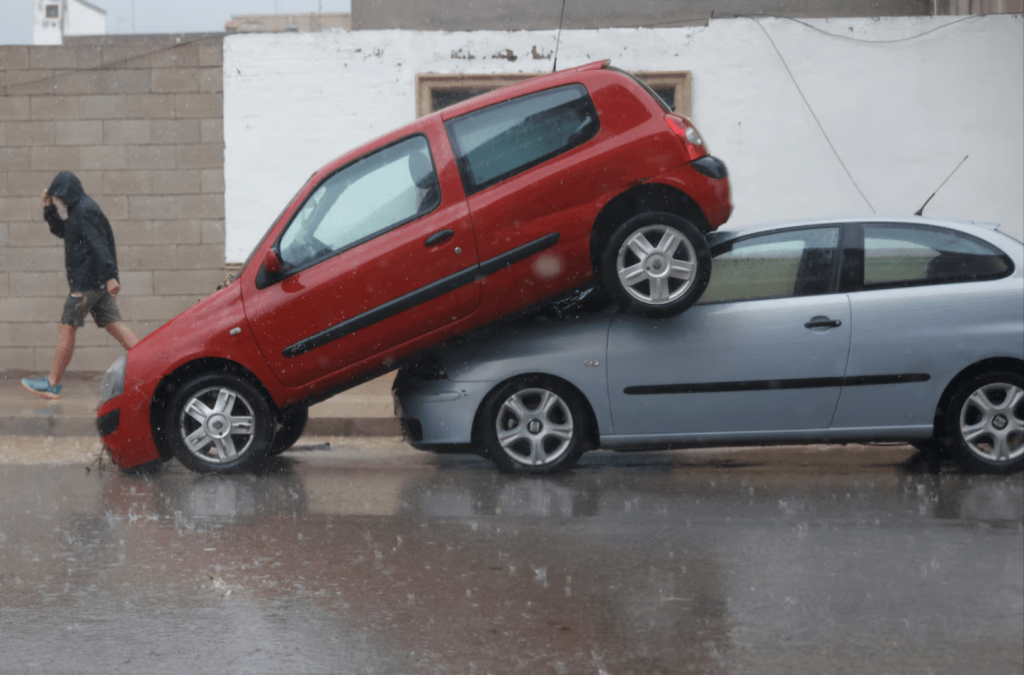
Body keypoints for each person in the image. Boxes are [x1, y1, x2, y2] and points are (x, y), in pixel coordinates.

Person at [21, 171, 139, 400]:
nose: (60, 201)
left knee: (67, 327)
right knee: (115, 325)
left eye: (59, 197)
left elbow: (99, 243)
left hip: (86, 285)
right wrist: (49, 209)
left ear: (67, 192)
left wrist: (111, 276)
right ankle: (153, 364)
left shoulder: (84, 210)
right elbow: (64, 232)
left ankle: (52, 383)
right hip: (95, 284)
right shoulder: (79, 210)